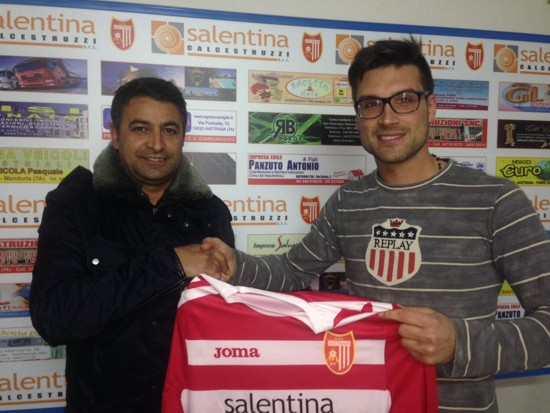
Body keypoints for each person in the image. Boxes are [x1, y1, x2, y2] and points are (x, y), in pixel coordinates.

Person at [202, 39, 550, 413]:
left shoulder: (497, 200)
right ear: (358, 116)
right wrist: (235, 265)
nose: (387, 118)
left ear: (431, 106)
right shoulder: (348, 200)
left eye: (404, 99)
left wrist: (460, 344)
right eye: (371, 104)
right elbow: (291, 271)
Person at [30, 77, 234, 413]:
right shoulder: (75, 202)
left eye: (169, 130)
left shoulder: (210, 212)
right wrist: (171, 265)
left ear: (183, 137)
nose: (156, 144)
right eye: (141, 128)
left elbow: (225, 320)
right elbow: (54, 318)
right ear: (115, 135)